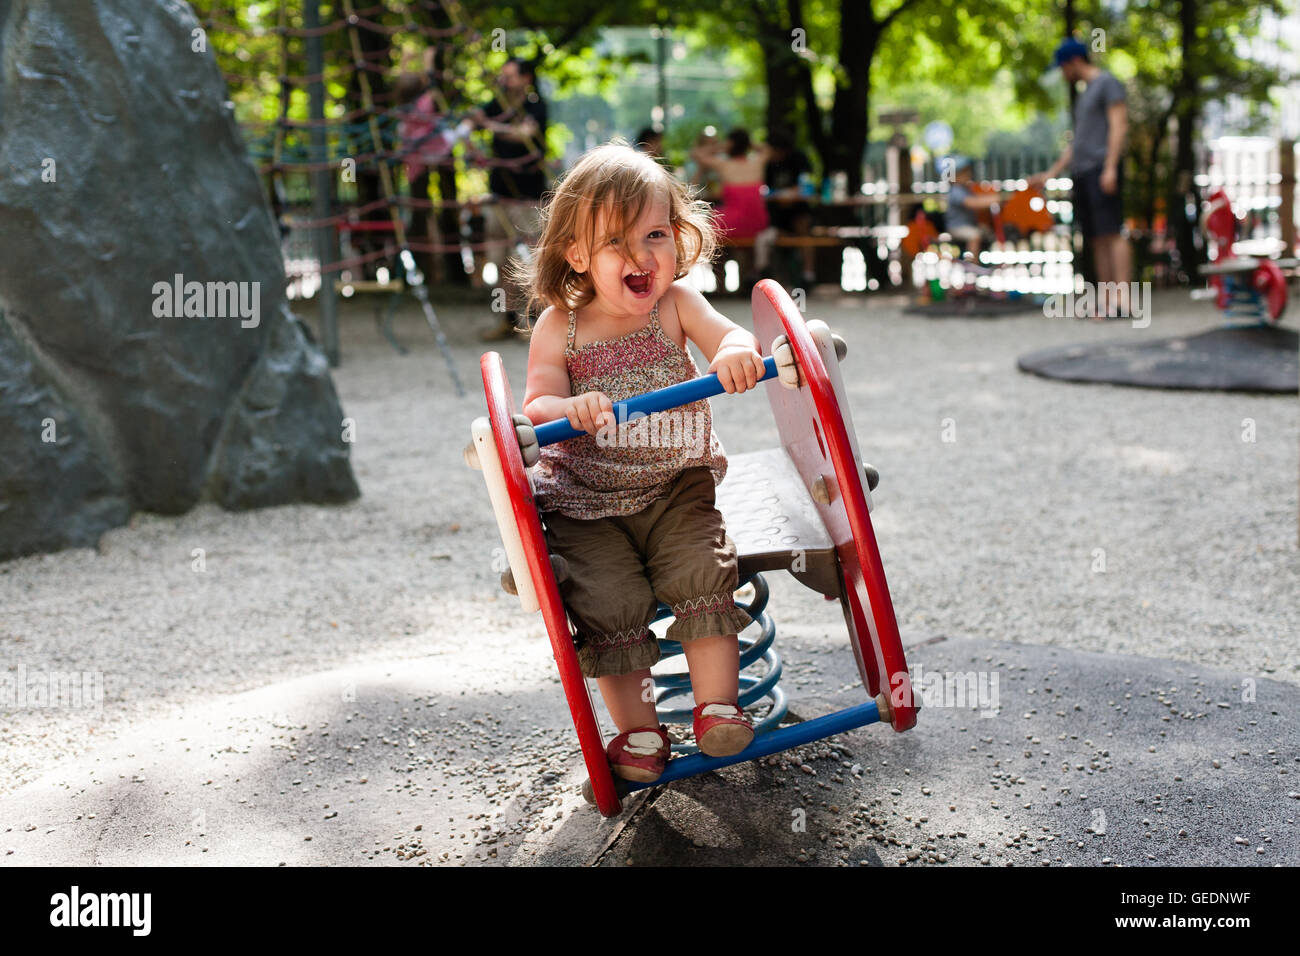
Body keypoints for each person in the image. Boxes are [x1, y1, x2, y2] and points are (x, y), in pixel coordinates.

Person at [516, 142, 764, 781]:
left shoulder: (676, 304)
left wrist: (734, 353)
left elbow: (730, 336)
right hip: (583, 503)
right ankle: (640, 734)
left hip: (675, 484)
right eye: (615, 242)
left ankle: (716, 708)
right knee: (607, 600)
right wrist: (569, 406)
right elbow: (536, 403)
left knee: (701, 570)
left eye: (655, 234)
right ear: (576, 255)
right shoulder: (560, 327)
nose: (640, 256)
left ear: (679, 238)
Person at [1030, 37, 1131, 317]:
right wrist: (1050, 174)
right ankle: (1108, 301)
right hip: (1084, 171)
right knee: (1096, 237)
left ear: (1074, 62)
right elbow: (1077, 143)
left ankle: (1125, 300)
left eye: (1062, 68)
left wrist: (1110, 167)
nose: (1062, 74)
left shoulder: (1107, 83)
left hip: (1102, 168)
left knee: (1112, 231)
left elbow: (1118, 125)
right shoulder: (1085, 95)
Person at [470, 56, 549, 339]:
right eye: (503, 76)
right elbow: (471, 122)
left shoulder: (536, 105)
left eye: (511, 76)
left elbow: (524, 133)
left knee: (529, 260)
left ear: (526, 78)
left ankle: (538, 322)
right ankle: (509, 320)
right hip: (499, 196)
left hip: (528, 197)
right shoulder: (497, 105)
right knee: (500, 260)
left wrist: (490, 126)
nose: (505, 81)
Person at [690, 127, 773, 281]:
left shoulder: (724, 165)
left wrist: (722, 145)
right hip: (758, 221)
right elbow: (768, 150)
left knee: (704, 227)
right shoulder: (757, 162)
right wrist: (748, 143)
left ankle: (720, 281)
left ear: (730, 145)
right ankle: (747, 277)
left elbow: (696, 154)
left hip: (732, 221)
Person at [764, 128, 816, 286]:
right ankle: (776, 277)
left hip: (798, 208)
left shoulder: (799, 158)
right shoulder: (768, 164)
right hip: (776, 210)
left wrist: (789, 194)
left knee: (803, 229)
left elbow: (807, 184)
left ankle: (808, 273)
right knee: (771, 235)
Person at [945, 158, 1006, 261]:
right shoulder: (956, 191)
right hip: (958, 227)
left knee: (987, 231)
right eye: (964, 174)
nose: (968, 176)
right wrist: (994, 199)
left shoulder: (965, 189)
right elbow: (972, 202)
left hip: (969, 224)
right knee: (975, 235)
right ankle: (973, 262)